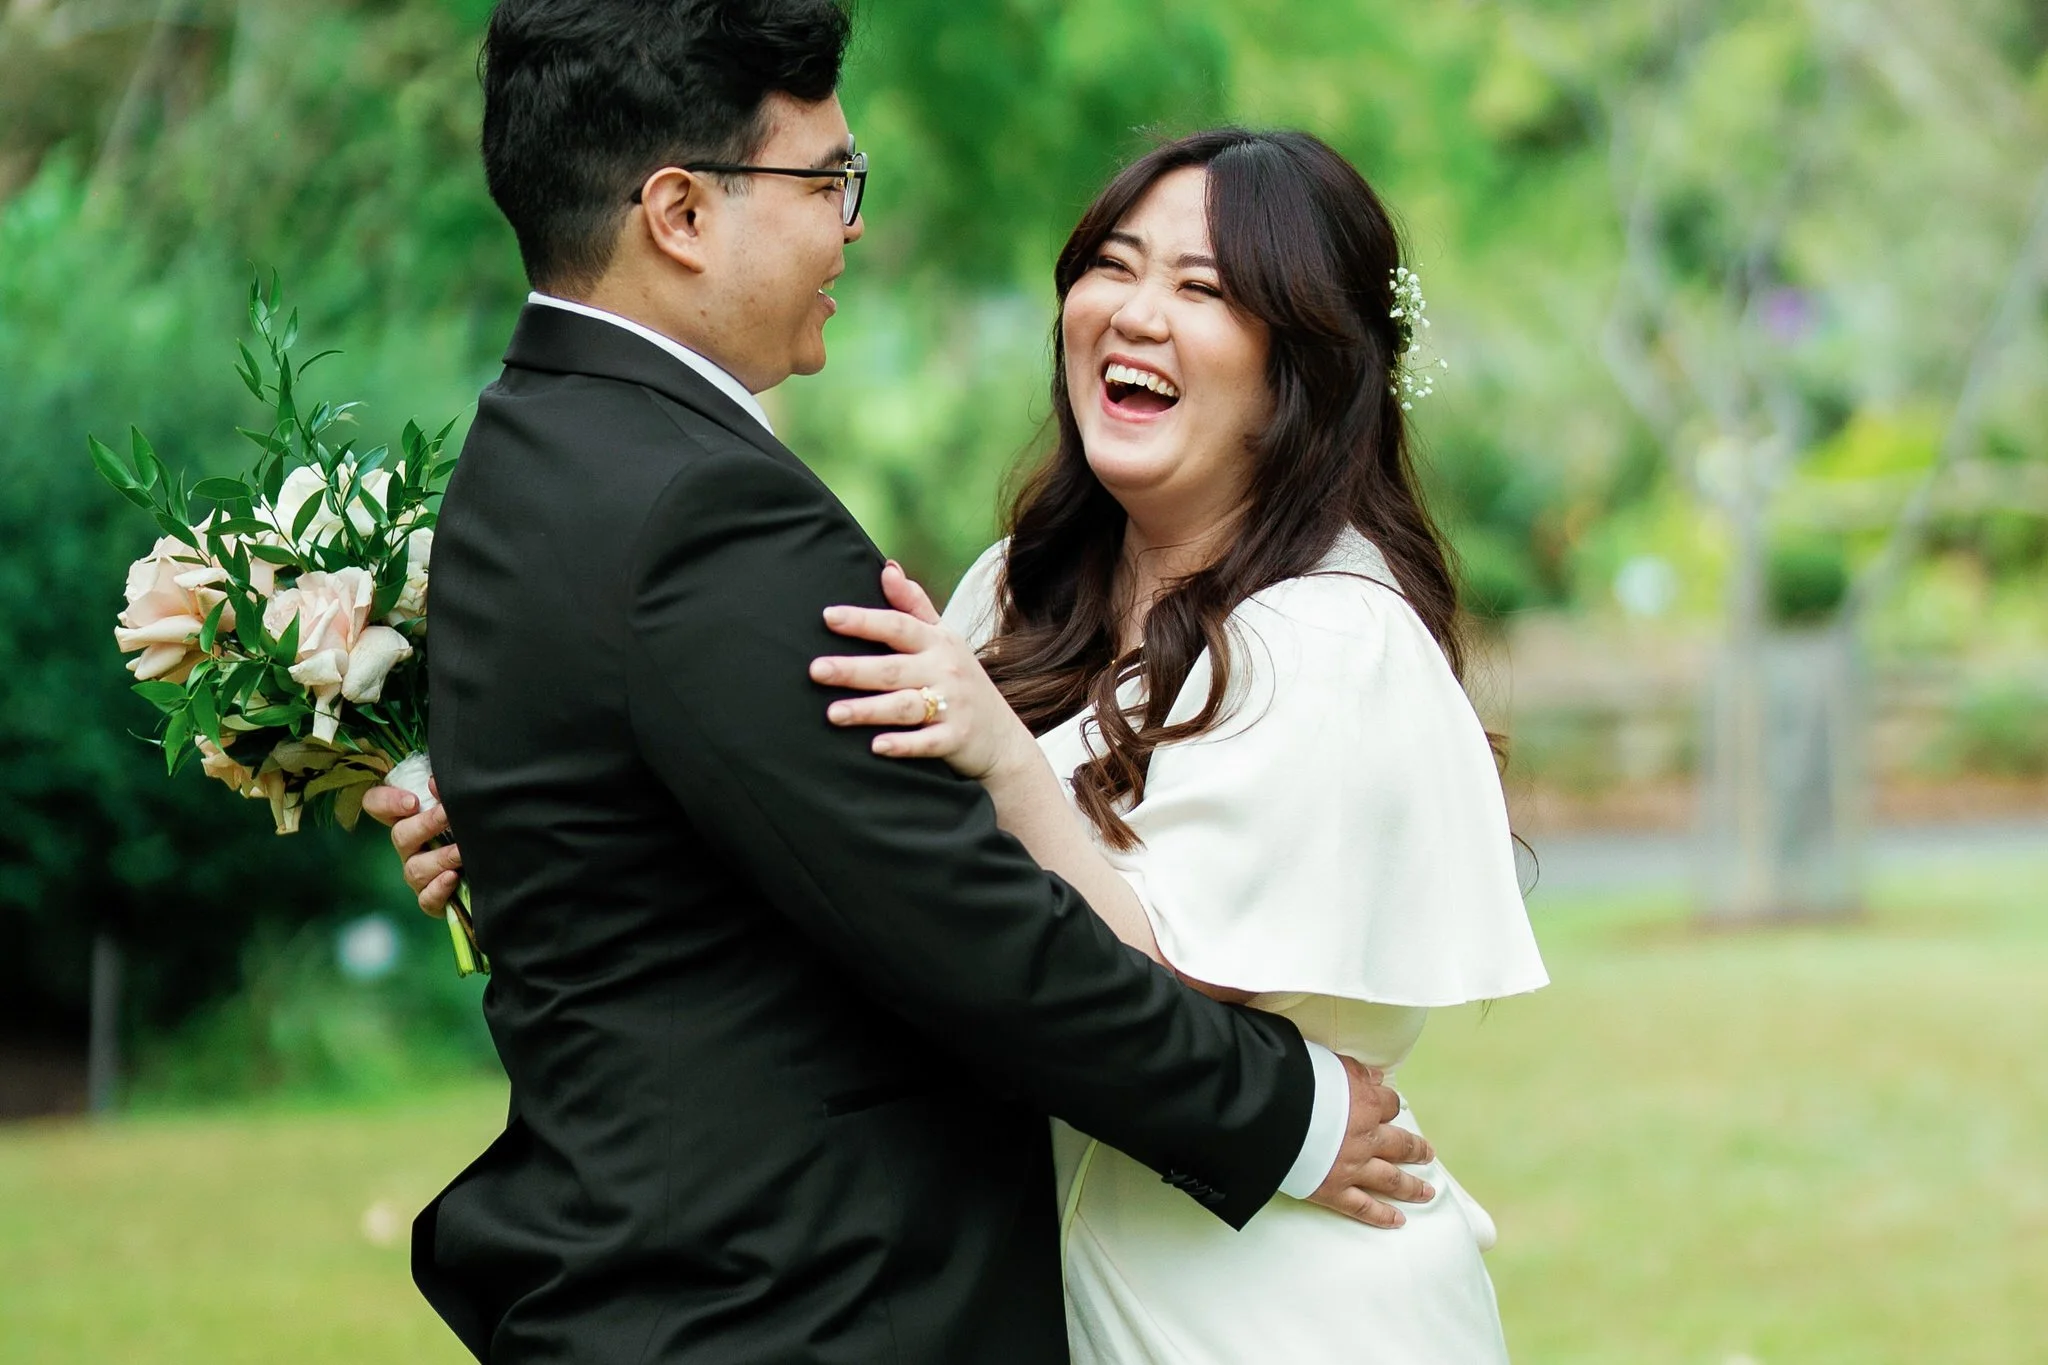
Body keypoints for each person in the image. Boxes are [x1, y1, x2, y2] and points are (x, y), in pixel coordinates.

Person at [363, 3, 1434, 1361]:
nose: (850, 228)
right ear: (681, 214)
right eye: (826, 183)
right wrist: (1291, 1116)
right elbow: (957, 923)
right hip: (788, 1304)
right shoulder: (705, 511)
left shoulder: (525, 450)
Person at [803, 128, 1549, 1361]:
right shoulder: (1016, 589)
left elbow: (1156, 1002)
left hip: (1281, 1312)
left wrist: (999, 757)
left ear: (1302, 365)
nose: (1134, 313)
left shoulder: (1330, 638)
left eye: (1201, 288)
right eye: (1112, 265)